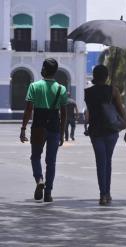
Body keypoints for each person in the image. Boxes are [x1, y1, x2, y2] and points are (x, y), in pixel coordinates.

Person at [20, 58, 67, 202]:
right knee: (51, 161)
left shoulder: (34, 86)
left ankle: (39, 179)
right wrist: (62, 133)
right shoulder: (61, 88)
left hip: (39, 125)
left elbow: (29, 109)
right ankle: (48, 193)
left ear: (44, 69)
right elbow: (64, 113)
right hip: (54, 126)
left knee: (35, 156)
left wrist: (23, 128)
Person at [84, 65, 126, 205]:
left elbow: (90, 111)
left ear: (94, 76)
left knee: (100, 162)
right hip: (111, 130)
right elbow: (121, 111)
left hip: (96, 131)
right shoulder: (113, 91)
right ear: (107, 76)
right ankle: (107, 193)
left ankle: (103, 194)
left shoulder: (88, 92)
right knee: (107, 161)